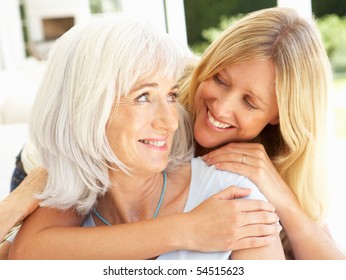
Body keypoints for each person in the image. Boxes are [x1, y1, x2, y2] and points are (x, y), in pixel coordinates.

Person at [5, 7, 345, 259]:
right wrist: (187, 230)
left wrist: (284, 198)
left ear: (279, 118)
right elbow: (31, 252)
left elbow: (328, 264)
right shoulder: (167, 84)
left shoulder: (260, 171)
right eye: (220, 80)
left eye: (250, 103)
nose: (222, 108)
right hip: (50, 161)